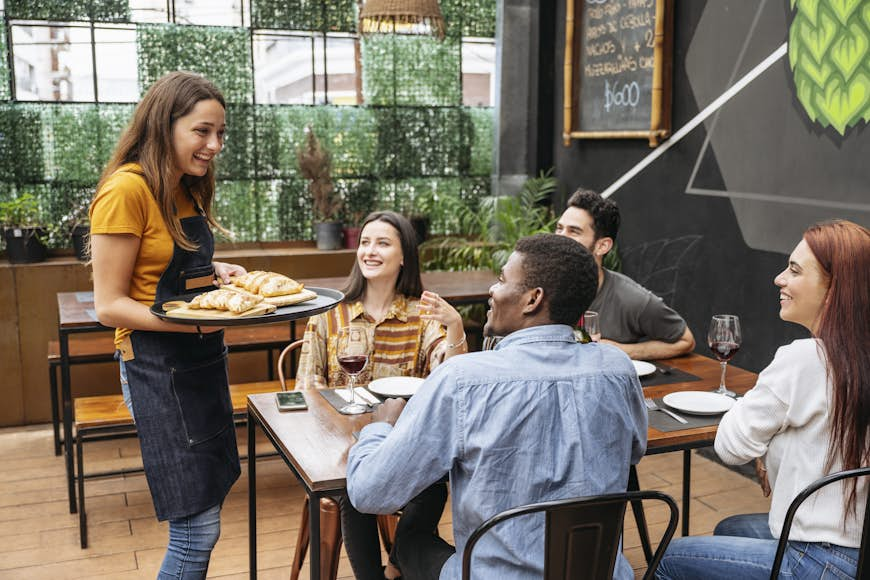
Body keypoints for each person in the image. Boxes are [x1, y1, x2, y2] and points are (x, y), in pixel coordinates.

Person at [346, 233, 647, 580]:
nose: (493, 288)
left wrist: (379, 428)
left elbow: (370, 493)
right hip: (600, 573)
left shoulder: (462, 380)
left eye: (503, 279)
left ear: (533, 299)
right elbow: (634, 451)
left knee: (411, 540)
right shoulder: (617, 368)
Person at [89, 71, 247, 579]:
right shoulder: (125, 191)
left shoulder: (186, 189)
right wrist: (199, 322)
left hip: (200, 364)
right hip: (156, 371)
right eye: (202, 131)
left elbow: (169, 271)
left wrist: (214, 274)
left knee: (208, 514)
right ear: (165, 124)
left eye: (220, 133)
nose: (214, 145)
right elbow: (110, 305)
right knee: (195, 530)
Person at [655, 219, 870, 580]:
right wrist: (770, 445)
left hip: (817, 560)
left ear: (834, 291)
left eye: (794, 270)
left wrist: (757, 428)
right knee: (731, 527)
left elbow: (730, 447)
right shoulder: (856, 358)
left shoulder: (805, 358)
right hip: (858, 551)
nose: (779, 279)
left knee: (669, 558)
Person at [296, 210, 468, 580]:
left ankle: (396, 564)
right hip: (341, 448)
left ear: (404, 255)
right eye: (365, 242)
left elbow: (451, 377)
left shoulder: (421, 317)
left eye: (383, 243)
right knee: (354, 488)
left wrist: (454, 325)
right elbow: (306, 389)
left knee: (435, 480)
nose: (370, 251)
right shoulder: (328, 314)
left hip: (404, 443)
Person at [555, 188, 695, 359]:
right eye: (559, 229)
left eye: (574, 231)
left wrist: (620, 350)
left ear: (602, 246)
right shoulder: (537, 288)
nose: (560, 238)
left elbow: (685, 341)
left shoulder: (631, 298)